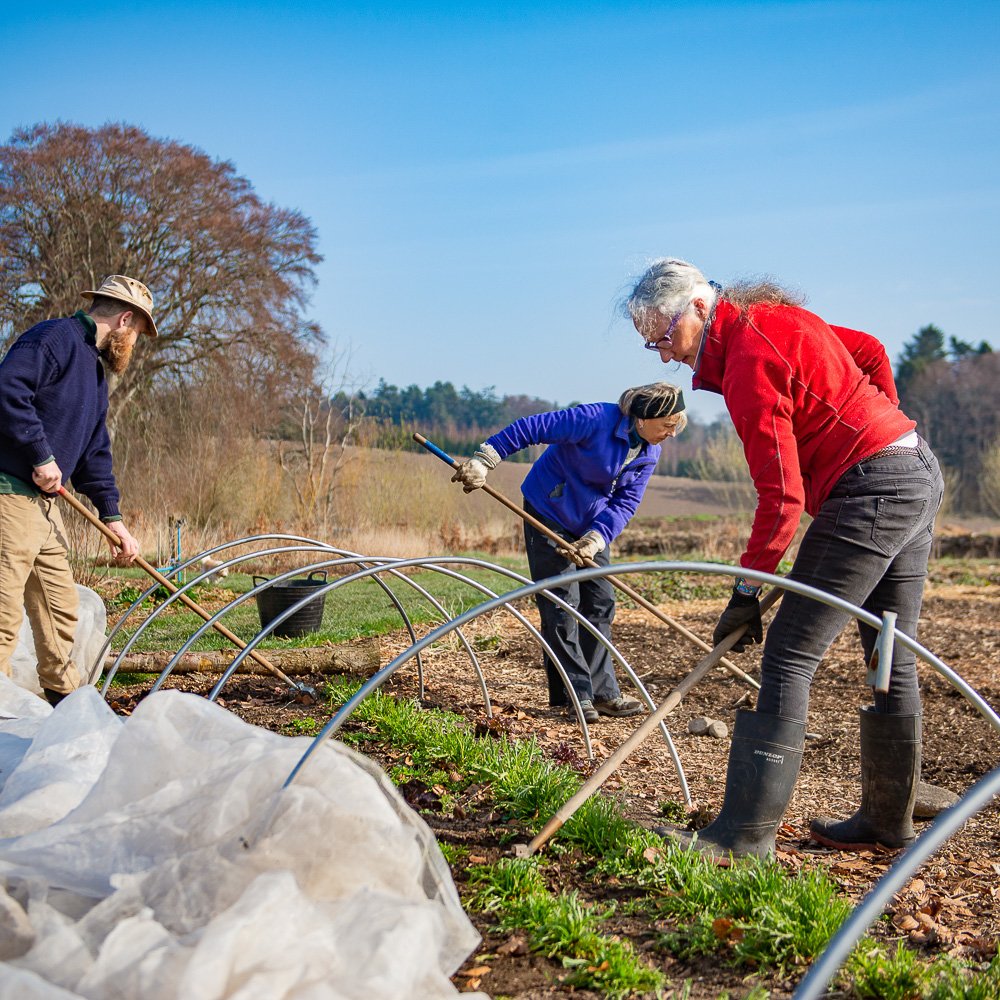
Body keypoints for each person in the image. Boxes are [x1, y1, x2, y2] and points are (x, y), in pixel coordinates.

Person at [625, 258, 944, 859]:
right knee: (888, 647)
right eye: (652, 344)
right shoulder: (778, 318)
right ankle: (887, 819)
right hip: (912, 468)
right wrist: (885, 424)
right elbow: (869, 350)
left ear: (699, 308)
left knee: (790, 652)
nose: (665, 355)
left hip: (872, 487)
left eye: (665, 337)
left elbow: (782, 498)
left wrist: (746, 594)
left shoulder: (749, 360)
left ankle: (743, 837)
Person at [451, 382, 687, 723]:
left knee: (601, 601)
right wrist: (486, 458)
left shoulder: (650, 451)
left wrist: (597, 537)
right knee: (562, 603)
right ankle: (574, 695)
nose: (671, 433)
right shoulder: (596, 418)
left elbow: (627, 501)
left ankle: (603, 693)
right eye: (668, 425)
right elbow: (533, 428)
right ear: (645, 416)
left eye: (675, 427)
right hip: (550, 509)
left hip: (590, 525)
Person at [0, 275, 157, 705]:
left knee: (59, 609)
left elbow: (94, 456)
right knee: (2, 615)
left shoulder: (94, 374)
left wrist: (115, 521)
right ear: (125, 319)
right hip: (9, 496)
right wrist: (40, 454)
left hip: (46, 509)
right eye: (138, 333)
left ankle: (64, 704)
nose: (135, 344)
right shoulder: (53, 339)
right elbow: (8, 389)